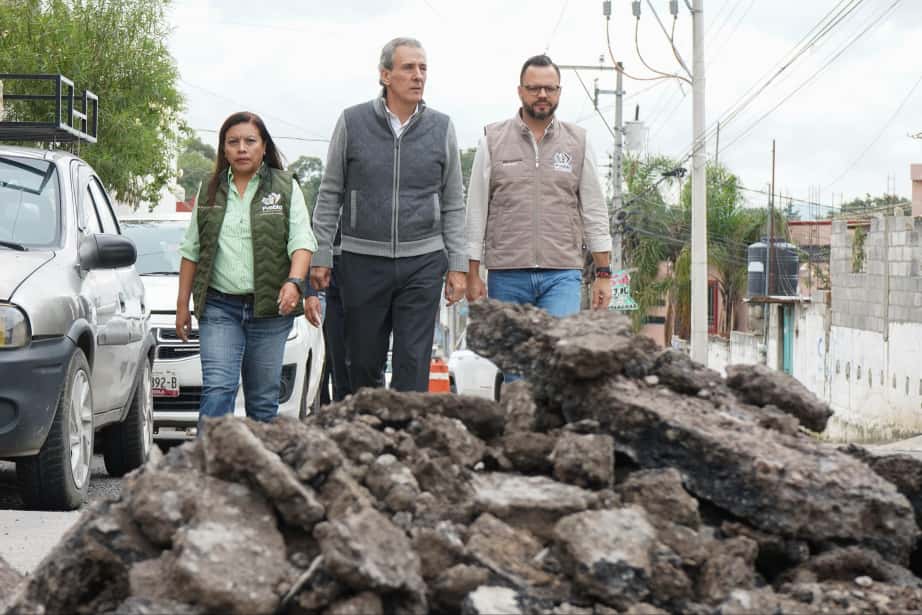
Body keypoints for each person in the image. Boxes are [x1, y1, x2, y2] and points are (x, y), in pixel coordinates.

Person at [311, 36, 467, 393]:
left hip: (423, 261)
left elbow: (453, 201)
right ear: (385, 75)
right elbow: (330, 192)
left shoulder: (442, 127)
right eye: (408, 68)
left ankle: (406, 430)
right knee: (362, 365)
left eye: (423, 68)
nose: (418, 76)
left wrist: (458, 263)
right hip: (362, 261)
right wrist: (321, 253)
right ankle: (368, 427)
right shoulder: (352, 122)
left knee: (413, 364)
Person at [176, 111, 317, 425]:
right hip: (219, 307)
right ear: (224, 149)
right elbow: (191, 249)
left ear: (264, 147)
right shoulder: (210, 188)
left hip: (269, 310)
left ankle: (259, 458)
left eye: (250, 141)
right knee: (218, 388)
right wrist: (182, 305)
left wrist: (294, 282)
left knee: (263, 401)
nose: (242, 148)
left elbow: (301, 241)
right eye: (233, 142)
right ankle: (209, 457)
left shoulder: (285, 187)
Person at [466, 54, 613, 318]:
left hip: (562, 275)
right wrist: (472, 272)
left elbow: (594, 210)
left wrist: (603, 274)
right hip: (506, 274)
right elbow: (476, 211)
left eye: (549, 88)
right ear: (520, 91)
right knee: (509, 346)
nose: (542, 94)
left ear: (559, 92)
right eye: (534, 88)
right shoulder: (492, 140)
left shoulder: (578, 142)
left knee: (558, 343)